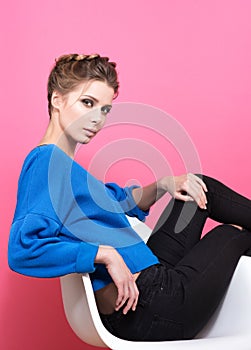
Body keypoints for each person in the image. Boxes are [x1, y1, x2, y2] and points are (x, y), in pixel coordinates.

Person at [8, 53, 251, 341]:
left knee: (195, 186)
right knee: (232, 233)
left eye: (105, 109)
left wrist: (163, 184)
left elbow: (119, 201)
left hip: (152, 281)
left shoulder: (68, 169)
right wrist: (105, 255)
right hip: (152, 307)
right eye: (88, 103)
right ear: (56, 100)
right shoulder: (46, 162)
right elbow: (22, 250)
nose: (97, 119)